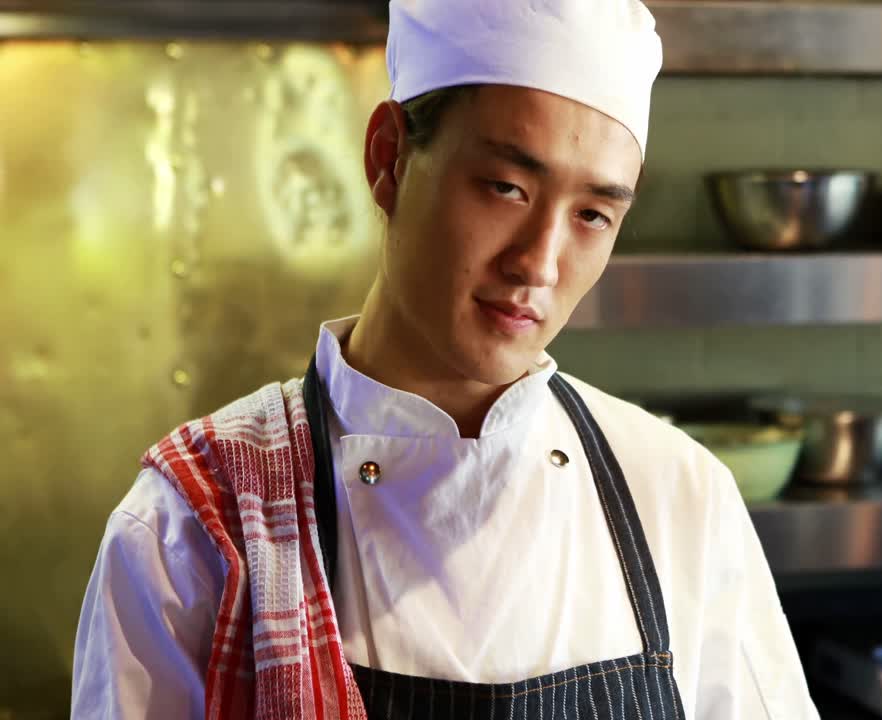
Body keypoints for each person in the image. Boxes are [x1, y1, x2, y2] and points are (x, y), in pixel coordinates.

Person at [72, 0, 820, 718]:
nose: (540, 263)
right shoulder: (194, 529)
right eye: (506, 187)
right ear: (388, 159)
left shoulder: (681, 499)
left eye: (593, 214)